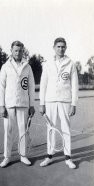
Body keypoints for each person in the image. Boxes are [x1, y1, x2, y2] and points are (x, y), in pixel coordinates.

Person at [39, 37, 78, 169]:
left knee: (66, 128)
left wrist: (74, 103)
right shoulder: (47, 63)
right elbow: (43, 84)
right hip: (50, 100)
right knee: (51, 128)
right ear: (54, 48)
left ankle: (68, 157)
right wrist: (41, 103)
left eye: (63, 47)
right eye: (58, 47)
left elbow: (75, 85)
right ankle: (49, 156)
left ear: (65, 48)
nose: (61, 49)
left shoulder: (70, 63)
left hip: (65, 100)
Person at [0, 41, 35, 167]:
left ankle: (23, 155)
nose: (18, 53)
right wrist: (2, 105)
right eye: (16, 50)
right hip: (9, 105)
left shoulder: (27, 67)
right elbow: (1, 87)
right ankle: (7, 157)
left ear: (23, 51)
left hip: (23, 104)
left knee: (23, 131)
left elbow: (31, 87)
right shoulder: (5, 66)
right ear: (11, 51)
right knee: (8, 131)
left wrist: (32, 105)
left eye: (20, 51)